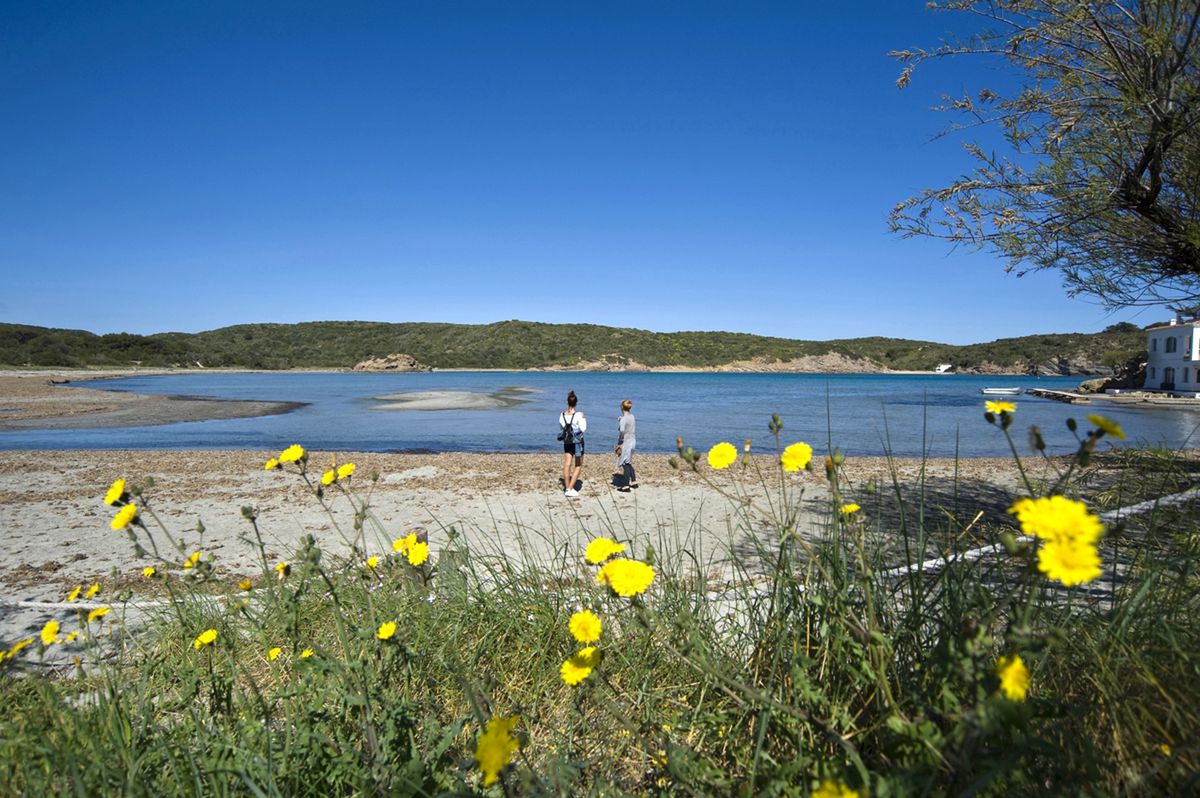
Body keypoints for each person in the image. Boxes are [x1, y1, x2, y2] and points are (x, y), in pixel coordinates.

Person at [559, 391, 586, 497]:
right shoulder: (579, 415)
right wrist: (583, 418)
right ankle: (570, 488)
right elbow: (583, 429)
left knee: (567, 463)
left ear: (567, 402)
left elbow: (562, 429)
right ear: (576, 403)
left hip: (567, 441)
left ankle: (567, 487)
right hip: (578, 442)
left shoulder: (562, 415)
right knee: (578, 465)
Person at [615, 399, 637, 491]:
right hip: (633, 441)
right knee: (629, 461)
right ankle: (634, 482)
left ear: (621, 407)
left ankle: (626, 486)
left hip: (626, 443)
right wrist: (621, 419)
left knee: (625, 463)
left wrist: (619, 443)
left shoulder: (623, 419)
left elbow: (622, 431)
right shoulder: (632, 416)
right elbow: (628, 421)